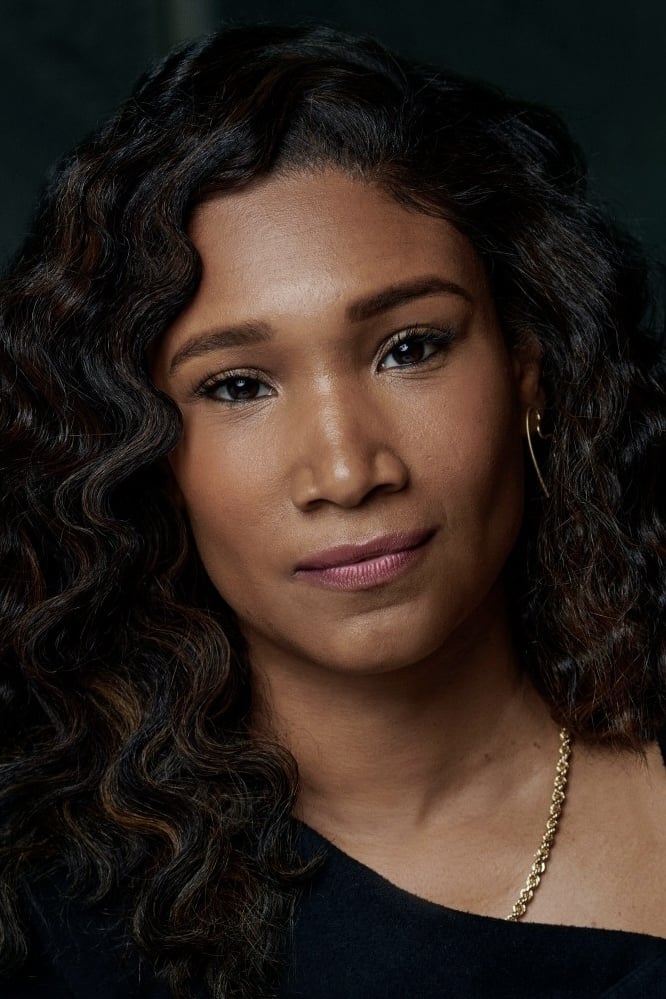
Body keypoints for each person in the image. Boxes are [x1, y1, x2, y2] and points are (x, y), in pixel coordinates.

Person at [1, 20, 665, 999]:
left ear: (527, 370)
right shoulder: (49, 925)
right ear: (139, 448)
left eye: (410, 348)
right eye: (237, 386)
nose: (349, 471)